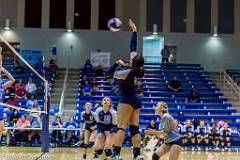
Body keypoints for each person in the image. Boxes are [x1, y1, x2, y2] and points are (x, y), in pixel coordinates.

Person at [106, 19, 144, 160]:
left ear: (133, 62)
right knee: (135, 129)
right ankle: (137, 155)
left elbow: (108, 74)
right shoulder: (139, 68)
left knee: (121, 127)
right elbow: (133, 47)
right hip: (136, 100)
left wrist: (117, 63)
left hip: (126, 100)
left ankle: (116, 154)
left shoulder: (126, 72)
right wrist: (134, 31)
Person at [0, 48, 15, 143]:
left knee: (1, 129)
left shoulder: (2, 86)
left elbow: (13, 80)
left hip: (0, 110)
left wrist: (4, 70)